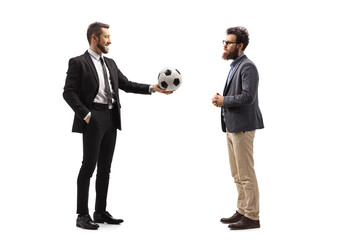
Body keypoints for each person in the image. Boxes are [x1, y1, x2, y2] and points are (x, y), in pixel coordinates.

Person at [63, 22, 171, 230]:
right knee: (88, 167)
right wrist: (86, 114)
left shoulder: (110, 63)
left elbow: (127, 84)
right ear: (94, 38)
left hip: (111, 118)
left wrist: (153, 88)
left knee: (105, 169)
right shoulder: (78, 62)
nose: (110, 41)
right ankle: (82, 215)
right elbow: (68, 92)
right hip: (93, 117)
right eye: (106, 37)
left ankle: (100, 211)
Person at [212, 26, 264, 230]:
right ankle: (242, 210)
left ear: (239, 45)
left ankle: (252, 216)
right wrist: (224, 101)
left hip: (243, 127)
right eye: (224, 42)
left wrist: (224, 100)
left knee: (246, 173)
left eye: (228, 42)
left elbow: (248, 97)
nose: (225, 45)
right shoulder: (235, 65)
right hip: (232, 126)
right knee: (237, 173)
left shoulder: (248, 66)